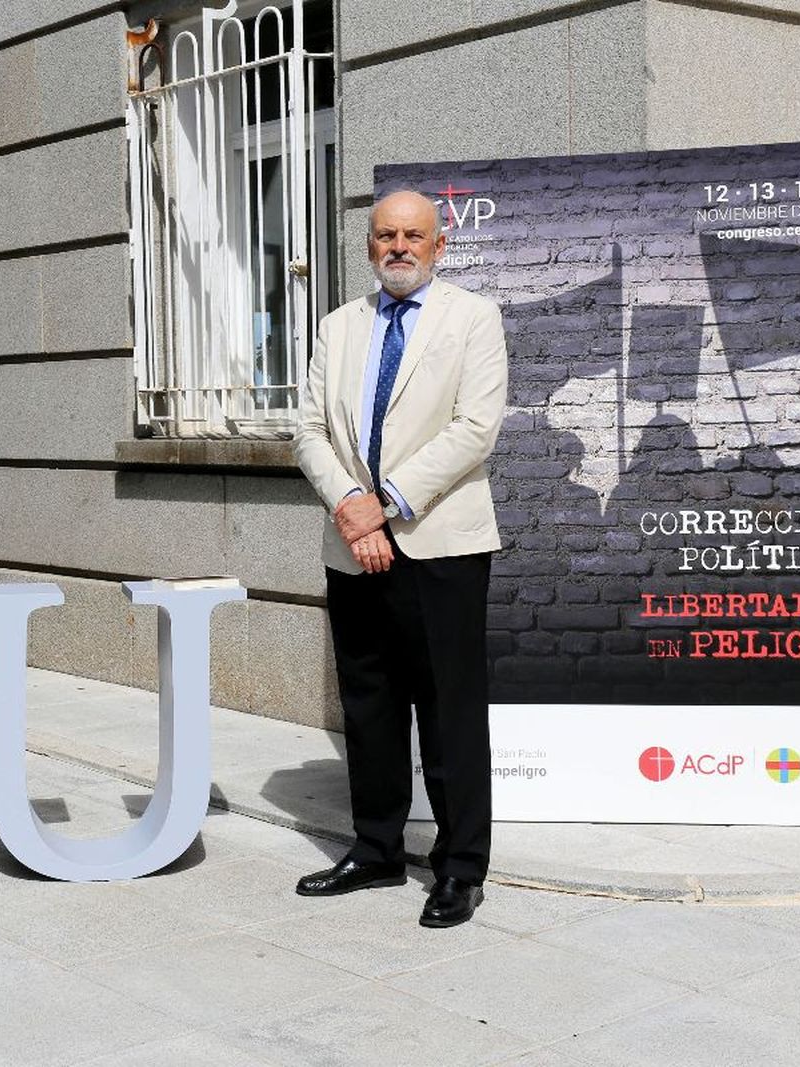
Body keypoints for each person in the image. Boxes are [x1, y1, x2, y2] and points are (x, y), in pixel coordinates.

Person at [291, 189, 507, 927]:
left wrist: (379, 502)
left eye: (414, 235)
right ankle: (377, 848)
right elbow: (308, 430)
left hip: (438, 543)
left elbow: (476, 429)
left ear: (439, 246)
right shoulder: (337, 327)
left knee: (450, 711)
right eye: (385, 235)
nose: (399, 246)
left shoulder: (473, 318)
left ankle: (460, 867)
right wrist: (350, 506)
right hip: (354, 548)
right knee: (371, 705)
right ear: (369, 245)